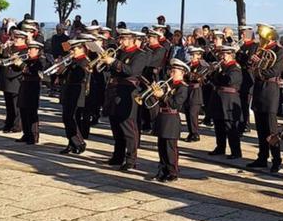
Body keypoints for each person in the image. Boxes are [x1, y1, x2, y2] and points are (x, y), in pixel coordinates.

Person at [102, 29, 147, 170]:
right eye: (120, 39)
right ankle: (117, 156)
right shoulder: (119, 52)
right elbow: (111, 71)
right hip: (114, 92)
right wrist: (105, 62)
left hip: (128, 93)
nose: (120, 42)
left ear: (132, 39)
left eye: (123, 39)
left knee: (128, 128)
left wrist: (114, 62)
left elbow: (132, 71)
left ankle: (131, 159)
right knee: (116, 126)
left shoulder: (140, 54)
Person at [247, 24, 283, 173]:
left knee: (271, 129)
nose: (259, 39)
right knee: (261, 128)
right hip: (259, 90)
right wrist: (253, 62)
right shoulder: (260, 50)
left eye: (262, 36)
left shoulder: (279, 51)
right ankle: (262, 157)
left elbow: (274, 71)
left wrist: (259, 67)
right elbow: (250, 68)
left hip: (270, 91)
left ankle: (276, 159)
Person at [151, 59, 190, 182]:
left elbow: (176, 104)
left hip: (172, 118)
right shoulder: (169, 84)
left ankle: (172, 172)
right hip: (162, 117)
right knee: (161, 147)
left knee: (170, 149)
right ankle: (162, 170)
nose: (171, 73)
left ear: (182, 72)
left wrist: (163, 95)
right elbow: (161, 101)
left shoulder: (182, 87)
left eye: (175, 71)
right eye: (171, 70)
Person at [209, 44, 243, 159]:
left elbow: (228, 80)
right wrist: (213, 73)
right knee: (218, 124)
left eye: (225, 54)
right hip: (219, 98)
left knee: (230, 126)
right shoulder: (222, 67)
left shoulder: (235, 68)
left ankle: (236, 151)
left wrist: (218, 73)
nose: (222, 57)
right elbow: (214, 81)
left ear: (231, 55)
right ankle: (220, 147)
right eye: (221, 54)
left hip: (229, 99)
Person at [58, 39, 91, 155]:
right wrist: (61, 67)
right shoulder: (72, 60)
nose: (71, 51)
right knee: (66, 118)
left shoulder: (85, 61)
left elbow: (81, 77)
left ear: (82, 48)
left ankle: (79, 142)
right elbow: (63, 75)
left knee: (72, 118)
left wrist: (68, 65)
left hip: (78, 91)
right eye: (71, 49)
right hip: (68, 90)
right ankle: (71, 143)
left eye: (74, 49)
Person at [0, 29, 28, 134]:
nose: (14, 39)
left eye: (17, 38)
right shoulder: (10, 48)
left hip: (15, 78)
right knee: (8, 104)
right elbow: (1, 59)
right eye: (14, 37)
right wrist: (2, 50)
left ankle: (17, 125)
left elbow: (23, 66)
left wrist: (16, 60)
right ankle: (8, 124)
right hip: (6, 78)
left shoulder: (25, 50)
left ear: (23, 39)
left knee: (16, 105)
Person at [15, 41, 44, 145]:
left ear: (37, 50)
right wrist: (15, 61)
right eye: (28, 49)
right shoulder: (27, 60)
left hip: (33, 88)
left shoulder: (40, 61)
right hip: (24, 86)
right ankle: (26, 134)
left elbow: (34, 72)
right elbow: (18, 70)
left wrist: (22, 65)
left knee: (31, 112)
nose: (28, 51)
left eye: (31, 49)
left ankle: (34, 135)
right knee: (23, 111)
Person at [183, 46, 208, 142]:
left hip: (196, 91)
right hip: (188, 90)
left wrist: (188, 75)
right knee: (188, 112)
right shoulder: (188, 65)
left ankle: (195, 133)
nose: (191, 57)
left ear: (199, 55)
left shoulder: (203, 65)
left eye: (193, 55)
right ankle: (191, 132)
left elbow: (198, 77)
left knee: (193, 114)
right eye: (191, 55)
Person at [236, 26, 256, 134]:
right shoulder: (243, 46)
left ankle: (246, 124)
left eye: (244, 34)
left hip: (249, 77)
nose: (242, 36)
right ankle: (241, 123)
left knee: (246, 103)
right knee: (241, 102)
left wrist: (240, 54)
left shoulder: (254, 46)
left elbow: (249, 60)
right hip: (241, 77)